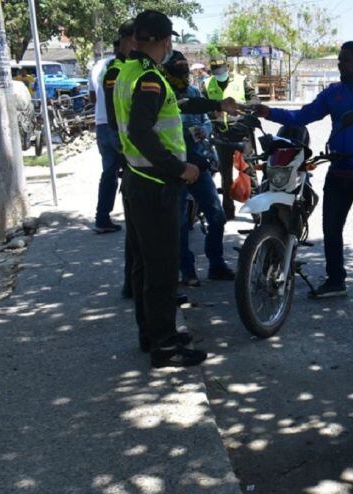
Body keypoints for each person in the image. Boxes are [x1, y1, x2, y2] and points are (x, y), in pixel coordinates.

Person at [113, 10, 239, 368]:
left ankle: (151, 333)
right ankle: (165, 347)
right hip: (157, 184)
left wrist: (216, 105)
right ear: (166, 40)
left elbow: (178, 104)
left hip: (138, 180)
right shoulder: (149, 79)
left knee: (142, 267)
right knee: (162, 269)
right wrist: (179, 168)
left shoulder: (127, 71)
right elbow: (140, 132)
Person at [251, 41, 353, 304]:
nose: (339, 64)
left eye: (344, 60)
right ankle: (335, 281)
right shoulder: (333, 93)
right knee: (331, 229)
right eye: (339, 59)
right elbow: (303, 116)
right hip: (337, 170)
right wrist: (270, 113)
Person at [164, 51, 236, 286]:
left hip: (200, 164)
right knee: (181, 222)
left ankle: (216, 264)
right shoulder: (164, 94)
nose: (183, 70)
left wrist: (206, 129)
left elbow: (205, 118)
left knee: (216, 216)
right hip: (177, 168)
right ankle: (187, 270)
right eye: (178, 66)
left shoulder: (194, 92)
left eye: (185, 65)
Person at [100, 20, 137, 296]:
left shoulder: (131, 68)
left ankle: (134, 283)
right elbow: (116, 119)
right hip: (126, 146)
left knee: (138, 229)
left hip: (131, 148)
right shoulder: (116, 69)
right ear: (124, 41)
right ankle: (132, 283)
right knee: (136, 224)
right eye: (135, 39)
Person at [202, 57, 257, 221]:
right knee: (225, 176)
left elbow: (255, 100)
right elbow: (202, 106)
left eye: (222, 71)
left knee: (250, 172)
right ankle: (228, 211)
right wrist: (213, 112)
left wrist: (242, 107)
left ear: (227, 68)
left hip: (242, 134)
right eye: (216, 72)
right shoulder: (206, 84)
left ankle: (257, 211)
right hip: (221, 135)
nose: (220, 75)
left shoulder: (241, 81)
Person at [89, 38, 128, 234]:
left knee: (109, 173)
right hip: (117, 125)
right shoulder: (123, 68)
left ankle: (102, 218)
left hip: (101, 124)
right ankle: (136, 217)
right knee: (132, 172)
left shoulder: (97, 66)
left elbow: (92, 97)